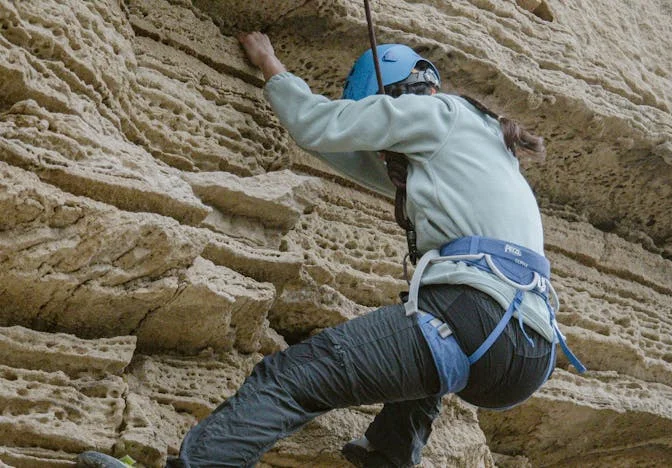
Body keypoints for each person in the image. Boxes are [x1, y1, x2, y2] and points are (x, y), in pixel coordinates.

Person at [77, 32, 584, 468]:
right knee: (422, 354)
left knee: (291, 378)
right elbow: (336, 147)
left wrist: (271, 65)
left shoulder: (437, 112)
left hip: (473, 316)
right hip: (525, 353)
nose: (385, 153)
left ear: (396, 94)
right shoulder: (479, 153)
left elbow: (318, 125)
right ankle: (385, 455)